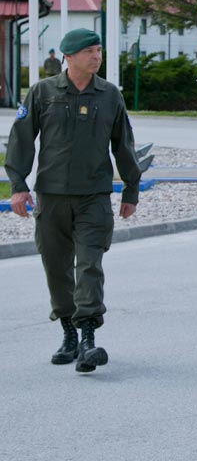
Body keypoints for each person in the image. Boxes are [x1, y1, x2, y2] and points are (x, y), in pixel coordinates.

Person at [5, 28, 140, 374]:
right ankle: (68, 333)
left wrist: (130, 189)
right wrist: (18, 186)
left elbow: (123, 145)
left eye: (98, 50)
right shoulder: (43, 92)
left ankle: (88, 340)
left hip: (94, 197)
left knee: (89, 266)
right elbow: (21, 141)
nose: (97, 56)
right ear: (69, 56)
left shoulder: (109, 95)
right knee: (56, 267)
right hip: (51, 198)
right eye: (90, 52)